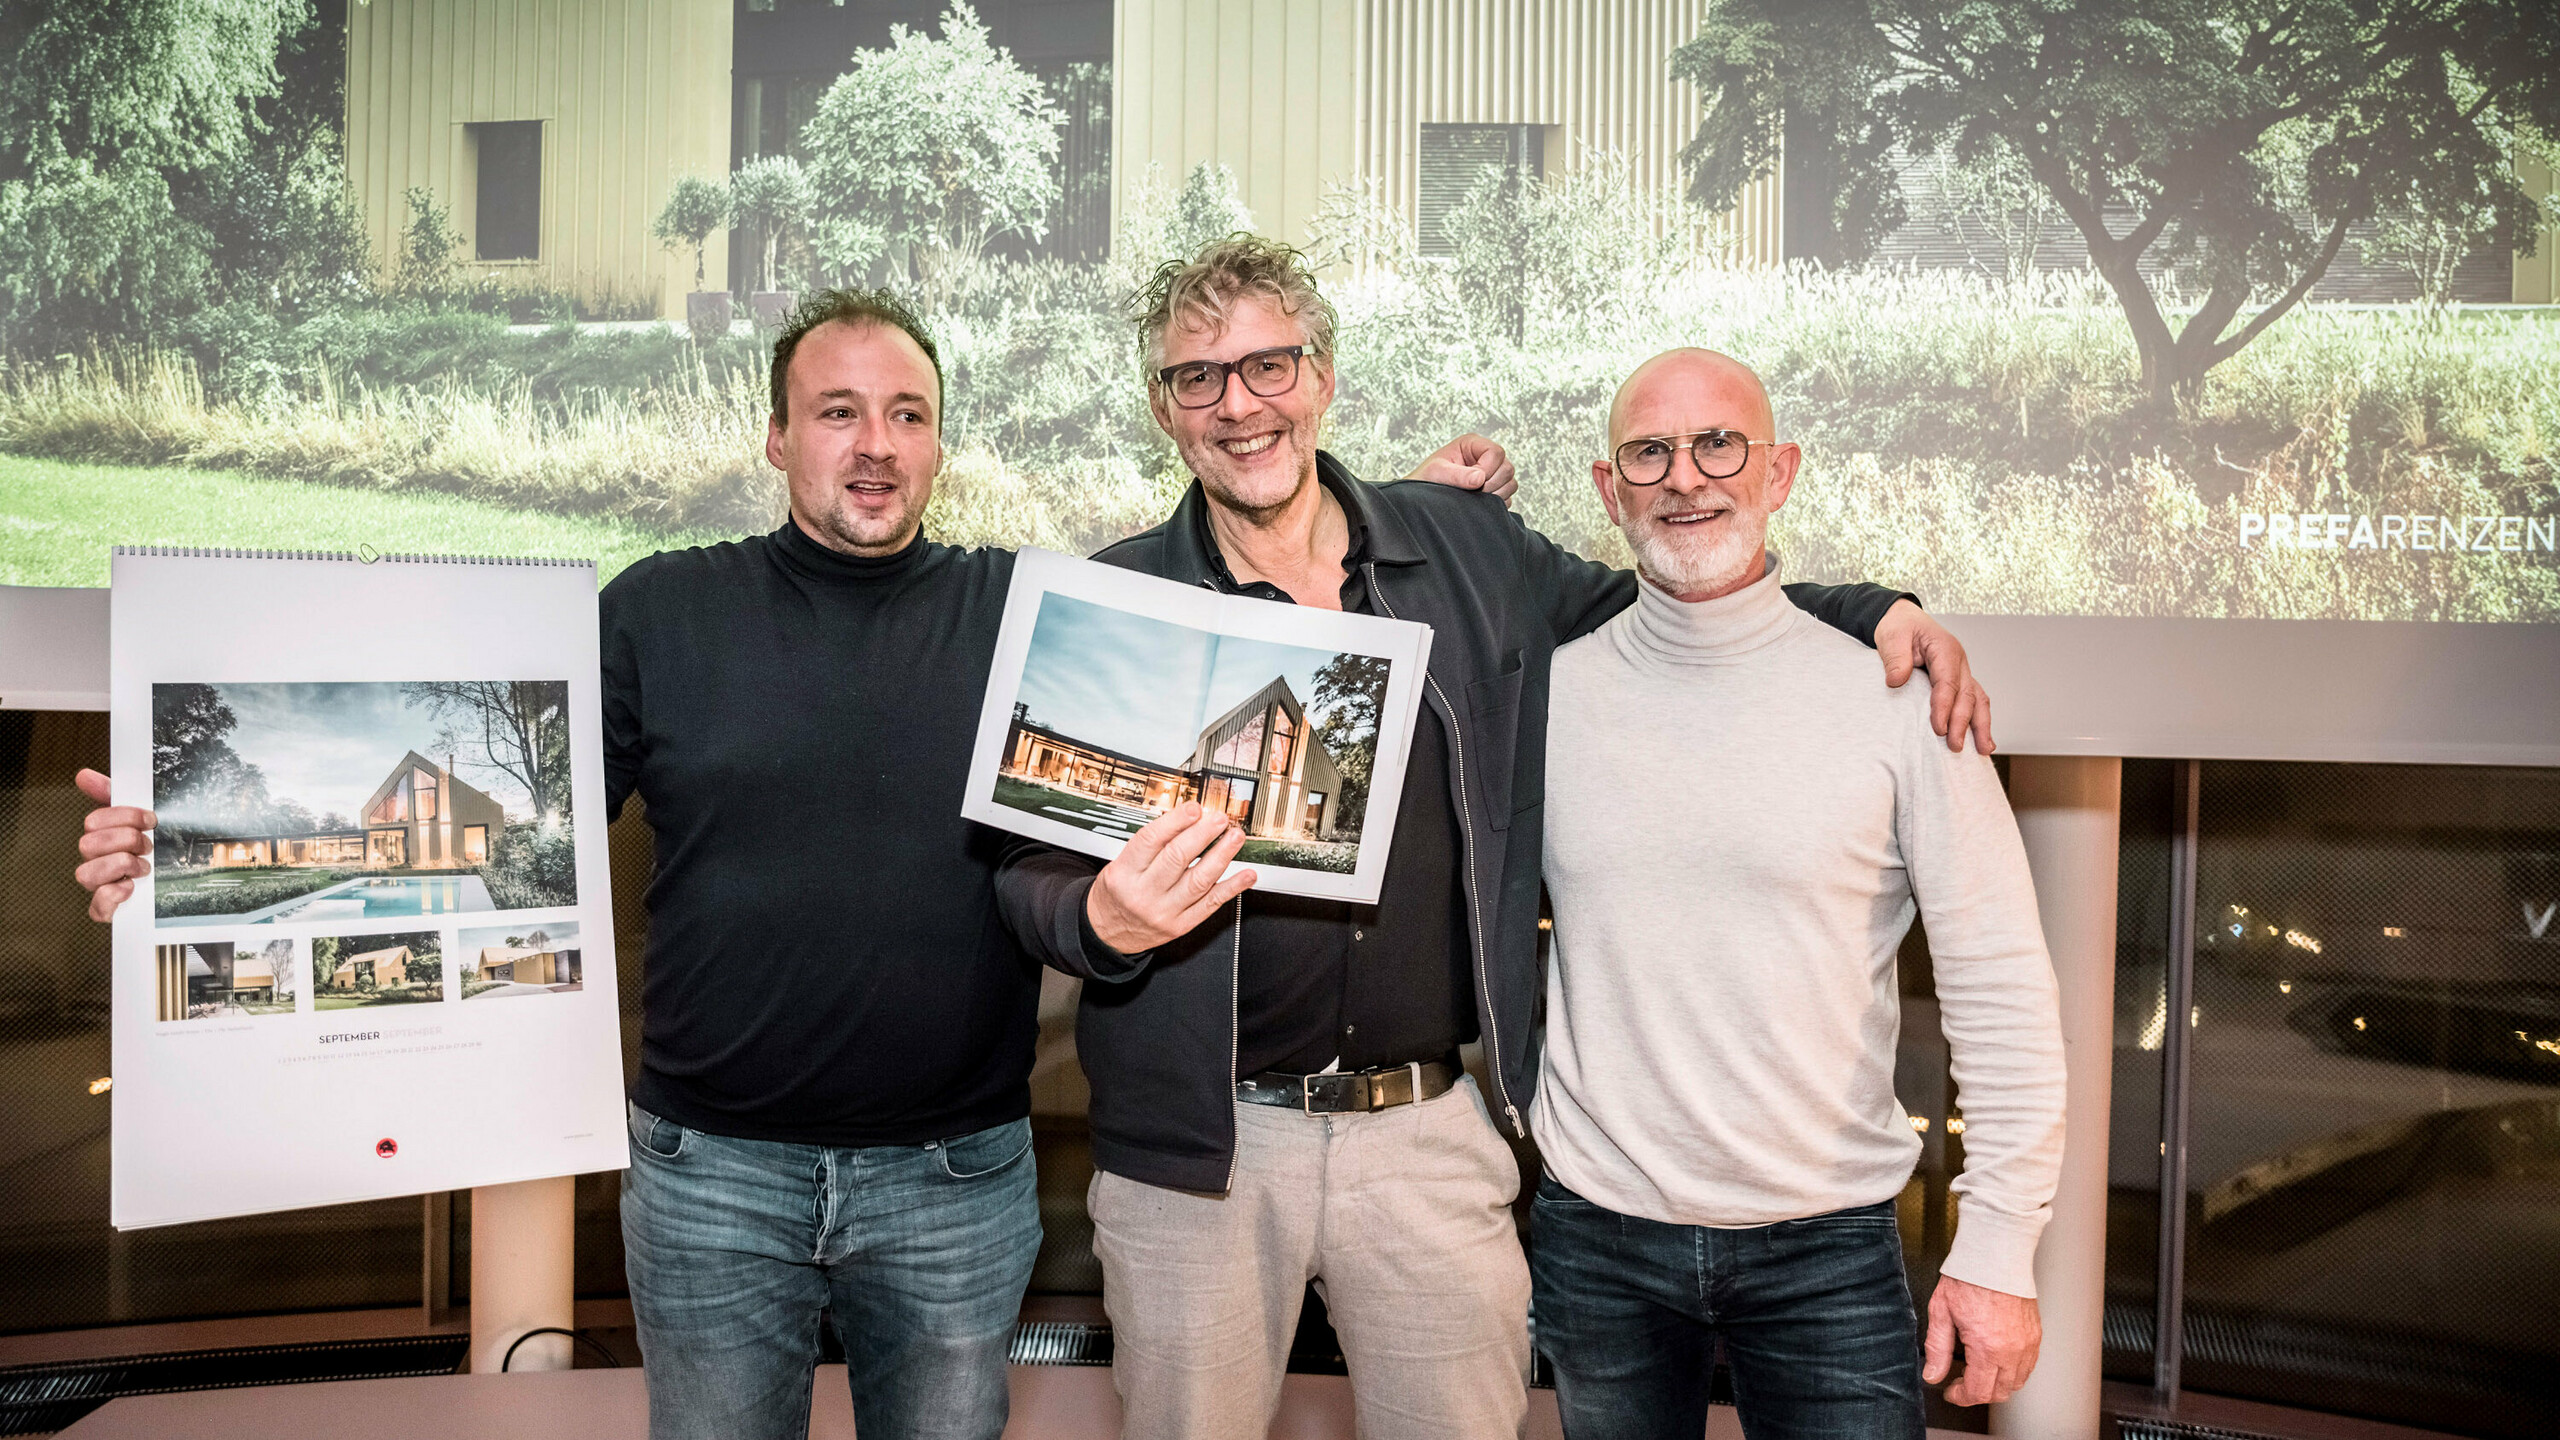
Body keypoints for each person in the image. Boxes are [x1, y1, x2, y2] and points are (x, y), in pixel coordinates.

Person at [67, 288, 1515, 1440]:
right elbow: (494, 826)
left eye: (907, 414)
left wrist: (1415, 499)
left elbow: (1256, 582)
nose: (873, 443)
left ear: (941, 444)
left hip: (955, 1179)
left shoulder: (1027, 614)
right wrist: (181, 847)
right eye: (837, 412)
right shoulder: (657, 612)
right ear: (776, 437)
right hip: (710, 1182)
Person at [994, 236, 1996, 1440]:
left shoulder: (1461, 548)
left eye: (1270, 365)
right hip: (1199, 1155)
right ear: (1165, 409)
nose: (1239, 404)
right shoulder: (1120, 604)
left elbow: (1668, 586)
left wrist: (1868, 608)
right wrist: (1096, 921)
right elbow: (1023, 869)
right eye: (1198, 378)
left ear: (1320, 377)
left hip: (1426, 1135)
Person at [1527, 348, 2066, 1439]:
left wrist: (2001, 1247)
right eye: (1650, 452)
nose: (1687, 477)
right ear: (1606, 487)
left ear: (1778, 472)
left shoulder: (1901, 695)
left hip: (1826, 1247)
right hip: (1596, 1236)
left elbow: (2000, 983)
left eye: (1720, 444)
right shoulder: (1547, 694)